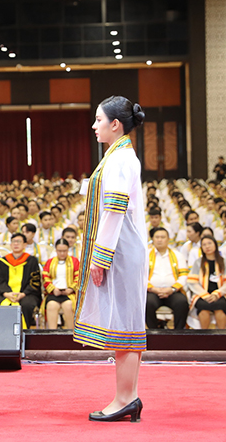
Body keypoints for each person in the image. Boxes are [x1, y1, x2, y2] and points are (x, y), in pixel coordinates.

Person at [74, 95, 146, 422]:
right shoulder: (117, 155)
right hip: (120, 245)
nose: (94, 126)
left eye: (98, 120)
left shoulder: (120, 158)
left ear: (115, 125)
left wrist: (99, 258)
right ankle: (126, 397)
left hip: (120, 247)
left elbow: (115, 211)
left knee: (124, 327)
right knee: (122, 325)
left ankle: (126, 398)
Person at [0, 232, 42, 328]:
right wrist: (6, 293)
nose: (16, 244)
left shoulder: (31, 261)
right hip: (6, 294)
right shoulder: (2, 262)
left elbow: (35, 281)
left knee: (27, 305)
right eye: (14, 242)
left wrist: (23, 294)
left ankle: (24, 333)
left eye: (18, 242)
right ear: (10, 245)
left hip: (26, 294)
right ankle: (2, 333)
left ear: (25, 245)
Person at [186, 235, 226, 329]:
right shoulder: (198, 263)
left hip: (221, 294)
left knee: (220, 305)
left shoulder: (224, 262)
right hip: (203, 294)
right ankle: (205, 337)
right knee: (203, 306)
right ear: (201, 248)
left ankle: (222, 336)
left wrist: (217, 293)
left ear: (215, 245)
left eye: (209, 243)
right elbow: (192, 281)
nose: (207, 246)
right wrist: (205, 295)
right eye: (204, 245)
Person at [146, 227, 189, 330]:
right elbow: (140, 276)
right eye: (157, 237)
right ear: (152, 239)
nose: (159, 240)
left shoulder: (178, 255)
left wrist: (172, 289)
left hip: (173, 291)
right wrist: (153, 289)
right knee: (147, 303)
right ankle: (154, 331)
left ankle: (178, 333)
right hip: (152, 291)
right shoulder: (146, 255)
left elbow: (183, 276)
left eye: (162, 237)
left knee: (182, 302)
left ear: (168, 239)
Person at [42, 239, 80, 329]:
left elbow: (78, 277)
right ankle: (52, 334)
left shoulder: (74, 261)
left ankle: (71, 333)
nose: (62, 253)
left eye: (64, 251)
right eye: (59, 251)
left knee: (69, 305)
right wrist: (53, 289)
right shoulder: (50, 262)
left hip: (69, 293)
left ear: (68, 250)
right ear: (56, 250)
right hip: (54, 293)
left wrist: (71, 289)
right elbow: (45, 277)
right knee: (51, 305)